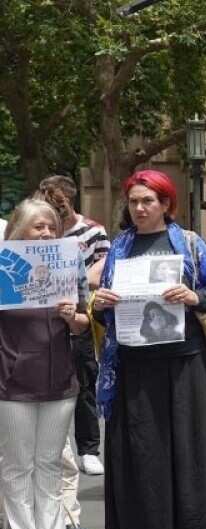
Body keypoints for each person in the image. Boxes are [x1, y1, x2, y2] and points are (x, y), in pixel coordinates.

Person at [92, 170, 206, 529]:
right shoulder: (118, 248)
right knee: (140, 452)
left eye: (148, 201)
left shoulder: (190, 243)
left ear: (166, 205)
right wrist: (100, 301)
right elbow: (104, 310)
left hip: (186, 361)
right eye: (134, 201)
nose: (139, 208)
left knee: (192, 450)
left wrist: (194, 296)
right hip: (135, 364)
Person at [0, 199, 88, 529]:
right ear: (18, 230)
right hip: (13, 380)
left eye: (51, 226)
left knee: (50, 464)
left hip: (58, 379)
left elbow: (84, 324)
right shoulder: (4, 267)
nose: (47, 233)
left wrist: (73, 318)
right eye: (38, 227)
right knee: (19, 465)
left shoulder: (68, 266)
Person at [35, 176, 109, 482]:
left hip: (78, 312)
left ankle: (89, 449)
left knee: (84, 382)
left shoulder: (93, 230)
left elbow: (102, 268)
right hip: (40, 320)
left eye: (59, 206)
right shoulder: (35, 234)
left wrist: (74, 273)